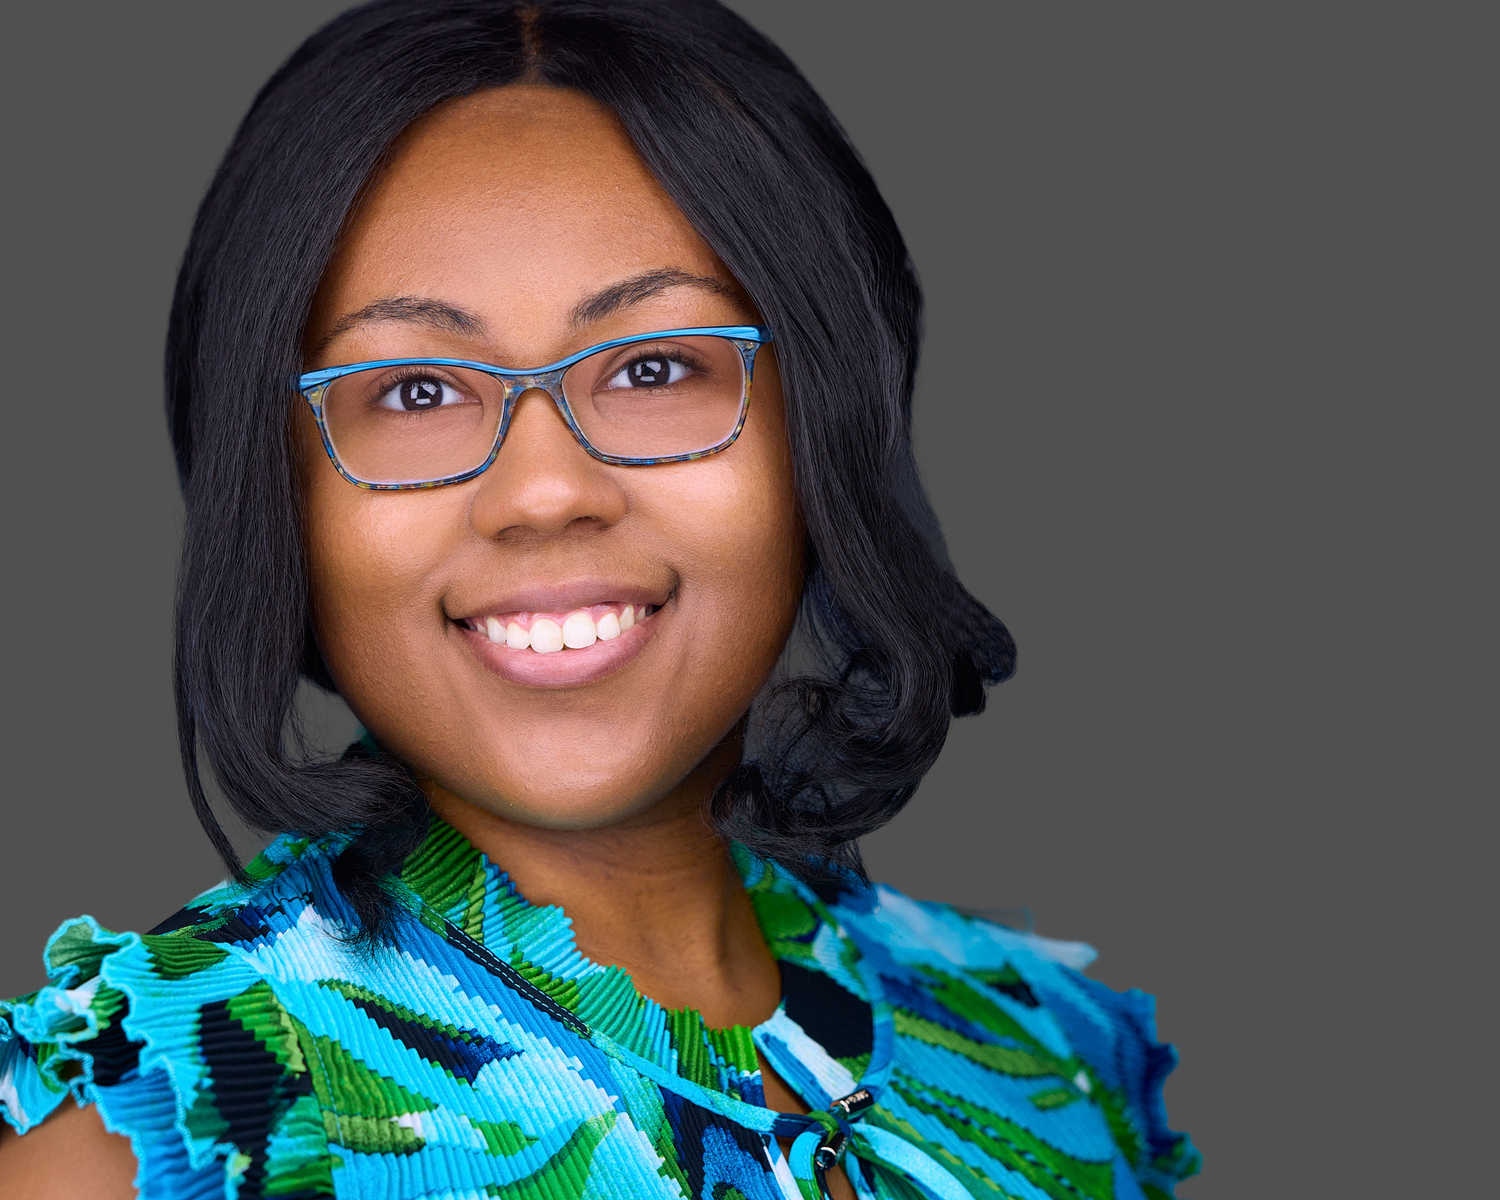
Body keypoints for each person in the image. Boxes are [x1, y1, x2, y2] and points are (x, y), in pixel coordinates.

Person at [0, 2, 1198, 1196]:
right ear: (277, 487)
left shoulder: (1049, 1056)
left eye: (655, 367)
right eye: (415, 392)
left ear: (825, 429)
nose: (544, 491)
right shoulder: (175, 1116)